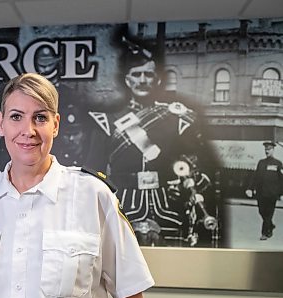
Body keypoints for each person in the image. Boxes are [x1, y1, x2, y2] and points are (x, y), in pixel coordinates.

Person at [0, 73, 154, 298]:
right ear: (1, 124)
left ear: (55, 125)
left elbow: (129, 294)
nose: (28, 131)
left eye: (40, 118)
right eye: (16, 116)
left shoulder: (94, 196)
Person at [86, 36, 219, 247]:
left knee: (170, 272)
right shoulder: (107, 122)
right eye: (136, 74)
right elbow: (94, 173)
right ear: (127, 80)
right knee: (122, 275)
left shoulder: (177, 118)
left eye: (148, 74)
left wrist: (187, 184)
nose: (142, 80)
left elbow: (196, 164)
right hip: (123, 205)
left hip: (168, 204)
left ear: (156, 79)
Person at [246, 141, 283, 240]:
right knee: (261, 211)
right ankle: (270, 225)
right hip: (261, 193)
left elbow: (282, 180)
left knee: (268, 214)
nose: (267, 151)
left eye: (269, 149)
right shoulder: (261, 163)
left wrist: (281, 193)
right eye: (266, 149)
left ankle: (265, 233)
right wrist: (250, 188)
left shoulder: (278, 164)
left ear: (273, 150)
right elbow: (255, 177)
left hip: (272, 194)